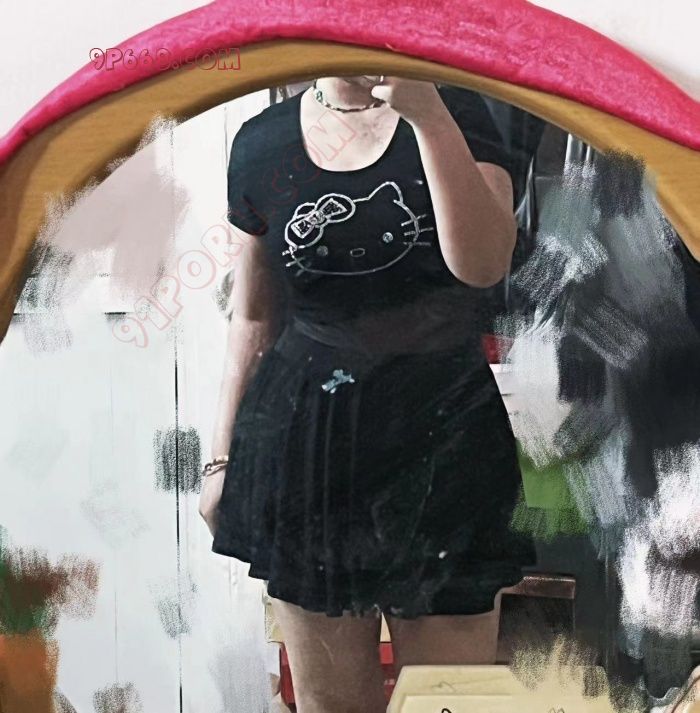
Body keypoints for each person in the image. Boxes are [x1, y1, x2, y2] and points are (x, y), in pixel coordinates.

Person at [198, 75, 536, 713]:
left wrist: (428, 116)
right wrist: (219, 461)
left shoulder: (458, 113)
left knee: (447, 702)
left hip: (446, 440)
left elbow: (484, 265)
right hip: (308, 448)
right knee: (331, 706)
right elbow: (253, 316)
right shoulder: (262, 142)